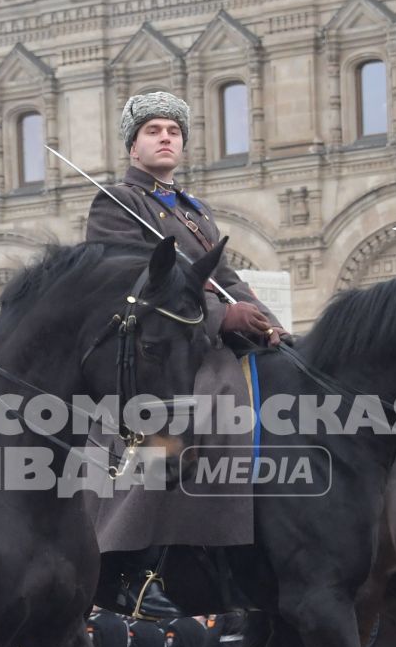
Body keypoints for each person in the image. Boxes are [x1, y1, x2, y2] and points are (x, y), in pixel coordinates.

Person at [83, 92, 281, 618]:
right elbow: (132, 278)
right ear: (132, 146)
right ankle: (130, 563)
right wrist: (221, 317)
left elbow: (225, 276)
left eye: (173, 129)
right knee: (192, 415)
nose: (165, 136)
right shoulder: (116, 203)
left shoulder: (192, 210)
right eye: (152, 130)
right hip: (155, 349)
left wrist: (266, 321)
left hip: (201, 342)